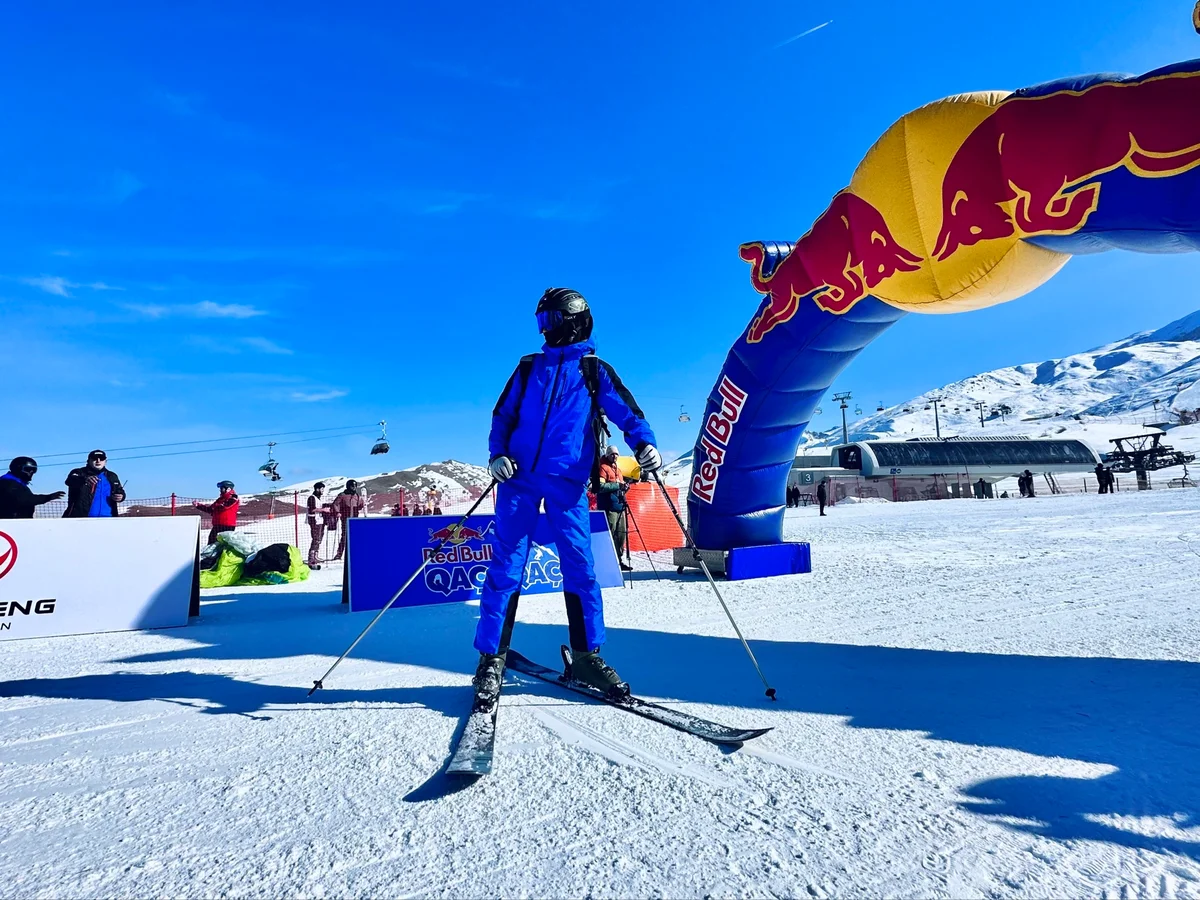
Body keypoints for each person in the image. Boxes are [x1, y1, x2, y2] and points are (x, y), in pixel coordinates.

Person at [472, 287, 660, 709]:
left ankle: (587, 656)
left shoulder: (594, 371)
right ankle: (491, 658)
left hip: (569, 483)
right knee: (506, 565)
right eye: (542, 323)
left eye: (552, 322)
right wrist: (497, 454)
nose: (546, 331)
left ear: (576, 321)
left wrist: (644, 443)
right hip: (519, 480)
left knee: (580, 567)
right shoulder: (528, 368)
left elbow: (629, 414)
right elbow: (502, 416)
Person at [596, 445, 631, 571]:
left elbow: (618, 486)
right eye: (612, 454)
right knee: (610, 533)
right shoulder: (603, 468)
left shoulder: (618, 470)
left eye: (616, 454)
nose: (615, 456)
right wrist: (617, 485)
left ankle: (618, 560)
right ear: (607, 455)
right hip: (609, 507)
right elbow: (600, 487)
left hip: (619, 506)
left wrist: (624, 488)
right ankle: (607, 561)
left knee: (620, 534)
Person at [63, 450, 125, 518]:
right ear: (88, 461)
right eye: (94, 458)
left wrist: (121, 496)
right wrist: (85, 479)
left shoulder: (112, 476)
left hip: (109, 518)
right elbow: (70, 481)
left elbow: (119, 490)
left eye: (101, 458)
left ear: (105, 461)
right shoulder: (78, 472)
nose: (98, 461)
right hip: (81, 518)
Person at [0, 457, 65, 519]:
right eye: (27, 469)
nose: (31, 472)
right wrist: (48, 497)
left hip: (15, 522)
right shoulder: (8, 483)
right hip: (10, 522)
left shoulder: (16, 483)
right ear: (17, 468)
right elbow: (25, 499)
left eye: (34, 470)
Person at [195, 481, 239, 546]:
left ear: (228, 488)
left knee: (224, 545)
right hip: (218, 525)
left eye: (222, 488)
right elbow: (210, 509)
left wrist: (214, 508)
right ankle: (210, 555)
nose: (220, 490)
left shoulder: (233, 497)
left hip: (227, 525)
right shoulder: (220, 499)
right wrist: (198, 506)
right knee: (212, 542)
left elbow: (224, 507)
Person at [332, 480, 364, 560]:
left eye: (355, 486)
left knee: (355, 536)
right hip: (345, 519)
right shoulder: (342, 495)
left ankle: (355, 553)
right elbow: (335, 504)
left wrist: (362, 504)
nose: (354, 487)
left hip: (355, 519)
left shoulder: (357, 496)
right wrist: (337, 512)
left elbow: (360, 505)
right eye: (352, 486)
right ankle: (339, 554)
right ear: (348, 486)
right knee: (344, 536)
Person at [306, 482, 331, 568]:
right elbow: (312, 509)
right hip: (314, 521)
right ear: (317, 489)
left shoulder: (318, 498)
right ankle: (311, 558)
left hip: (320, 521)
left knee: (319, 539)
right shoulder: (311, 498)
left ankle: (315, 555)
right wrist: (323, 510)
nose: (323, 491)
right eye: (322, 489)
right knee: (316, 539)